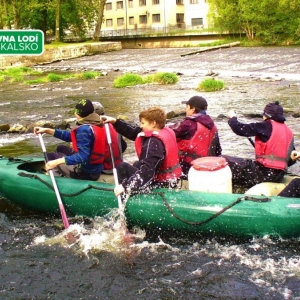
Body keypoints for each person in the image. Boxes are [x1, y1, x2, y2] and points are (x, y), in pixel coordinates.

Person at [101, 107, 182, 198]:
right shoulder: (163, 130)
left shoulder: (153, 143)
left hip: (160, 183)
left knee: (122, 167)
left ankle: (124, 196)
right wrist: (115, 122)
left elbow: (147, 170)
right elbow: (134, 132)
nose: (141, 126)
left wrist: (126, 186)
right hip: (171, 180)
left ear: (153, 123)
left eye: (143, 123)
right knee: (136, 163)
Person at [34, 99, 122, 181]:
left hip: (86, 173)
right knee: (61, 148)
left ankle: (55, 182)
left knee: (51, 157)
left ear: (78, 113)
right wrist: (47, 130)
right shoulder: (97, 123)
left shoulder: (84, 129)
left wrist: (56, 162)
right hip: (96, 168)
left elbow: (83, 156)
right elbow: (70, 136)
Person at [223, 101, 295, 189]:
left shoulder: (266, 125)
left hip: (263, 173)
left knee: (225, 160)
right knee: (246, 164)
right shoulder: (289, 132)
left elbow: (239, 128)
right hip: (278, 176)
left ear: (266, 115)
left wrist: (232, 118)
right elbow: (290, 160)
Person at [169, 95, 222, 175]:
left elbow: (169, 133)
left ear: (193, 109)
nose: (186, 109)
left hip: (188, 167)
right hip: (207, 166)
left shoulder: (188, 124)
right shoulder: (213, 125)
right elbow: (218, 150)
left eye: (187, 107)